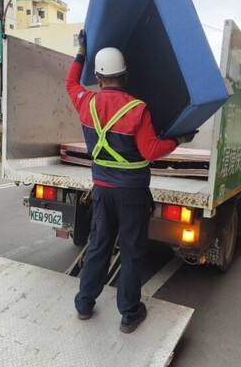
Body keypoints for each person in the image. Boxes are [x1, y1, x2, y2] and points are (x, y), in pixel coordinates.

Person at [65, 30, 197, 333]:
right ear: (125, 76)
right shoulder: (137, 109)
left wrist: (80, 53)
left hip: (102, 191)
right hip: (133, 194)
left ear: (98, 78)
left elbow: (70, 83)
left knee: (98, 245)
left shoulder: (86, 102)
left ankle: (84, 303)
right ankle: (129, 313)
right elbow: (150, 151)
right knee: (131, 250)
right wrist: (179, 138)